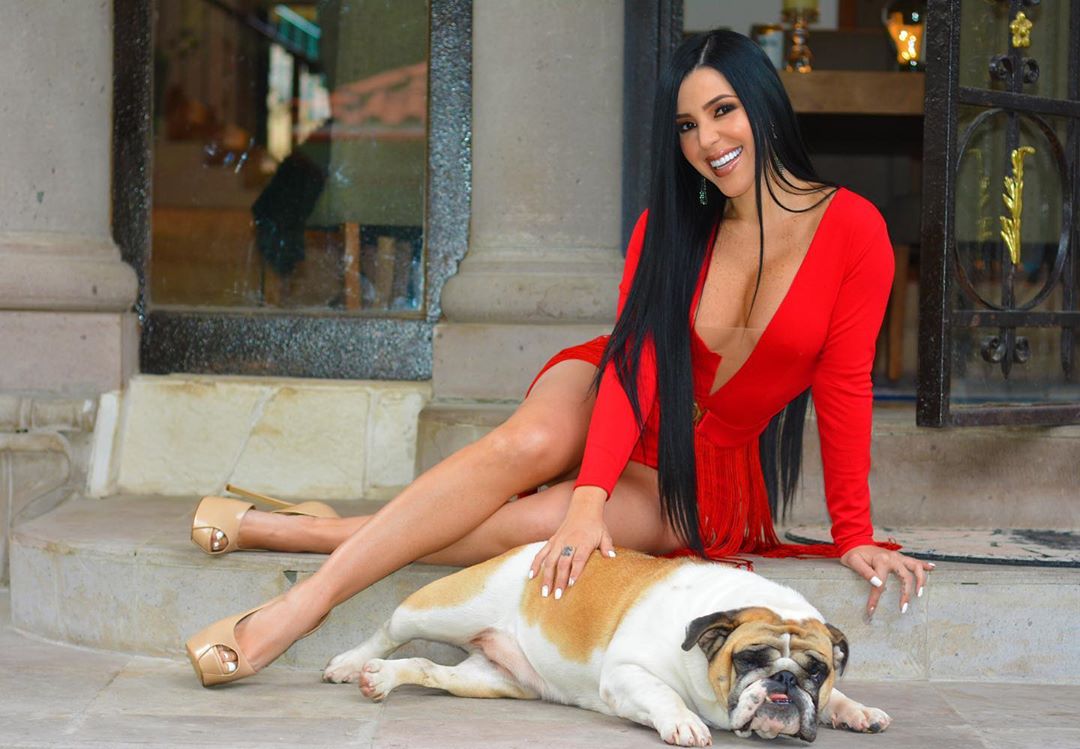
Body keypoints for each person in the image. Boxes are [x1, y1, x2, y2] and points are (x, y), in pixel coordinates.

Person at [185, 29, 933, 687]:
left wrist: (854, 533)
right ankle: (302, 606)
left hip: (698, 468)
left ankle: (304, 530)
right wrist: (589, 497)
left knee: (529, 527)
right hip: (618, 389)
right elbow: (636, 368)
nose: (707, 141)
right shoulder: (670, 227)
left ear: (764, 105)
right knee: (530, 443)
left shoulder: (853, 230)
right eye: (686, 125)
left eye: (722, 110)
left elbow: (845, 385)